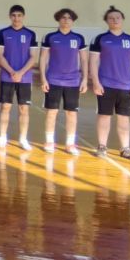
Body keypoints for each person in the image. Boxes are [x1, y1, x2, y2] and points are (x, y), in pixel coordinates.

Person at [89, 6, 130, 159]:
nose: (115, 20)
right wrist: (96, 82)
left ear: (122, 19)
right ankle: (102, 146)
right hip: (105, 85)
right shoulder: (99, 39)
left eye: (118, 17)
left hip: (127, 85)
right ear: (107, 21)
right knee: (104, 116)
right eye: (111, 18)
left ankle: (125, 148)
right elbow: (93, 62)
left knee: (124, 118)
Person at [38, 8, 85, 154]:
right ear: (58, 19)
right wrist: (43, 78)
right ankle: (49, 141)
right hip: (53, 80)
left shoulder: (78, 38)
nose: (66, 20)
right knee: (52, 111)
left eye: (69, 18)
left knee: (71, 113)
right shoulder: (50, 37)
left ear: (73, 21)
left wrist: (84, 79)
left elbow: (84, 60)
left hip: (73, 81)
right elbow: (43, 58)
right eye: (63, 17)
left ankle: (70, 143)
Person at [0, 5, 37, 149]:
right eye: (13, 15)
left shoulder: (30, 34)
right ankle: (2, 137)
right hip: (7, 77)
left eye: (19, 15)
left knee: (24, 108)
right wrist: (12, 72)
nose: (16, 18)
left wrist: (20, 73)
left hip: (25, 78)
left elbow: (33, 57)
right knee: (5, 106)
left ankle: (23, 139)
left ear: (23, 16)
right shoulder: (3, 33)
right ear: (10, 16)